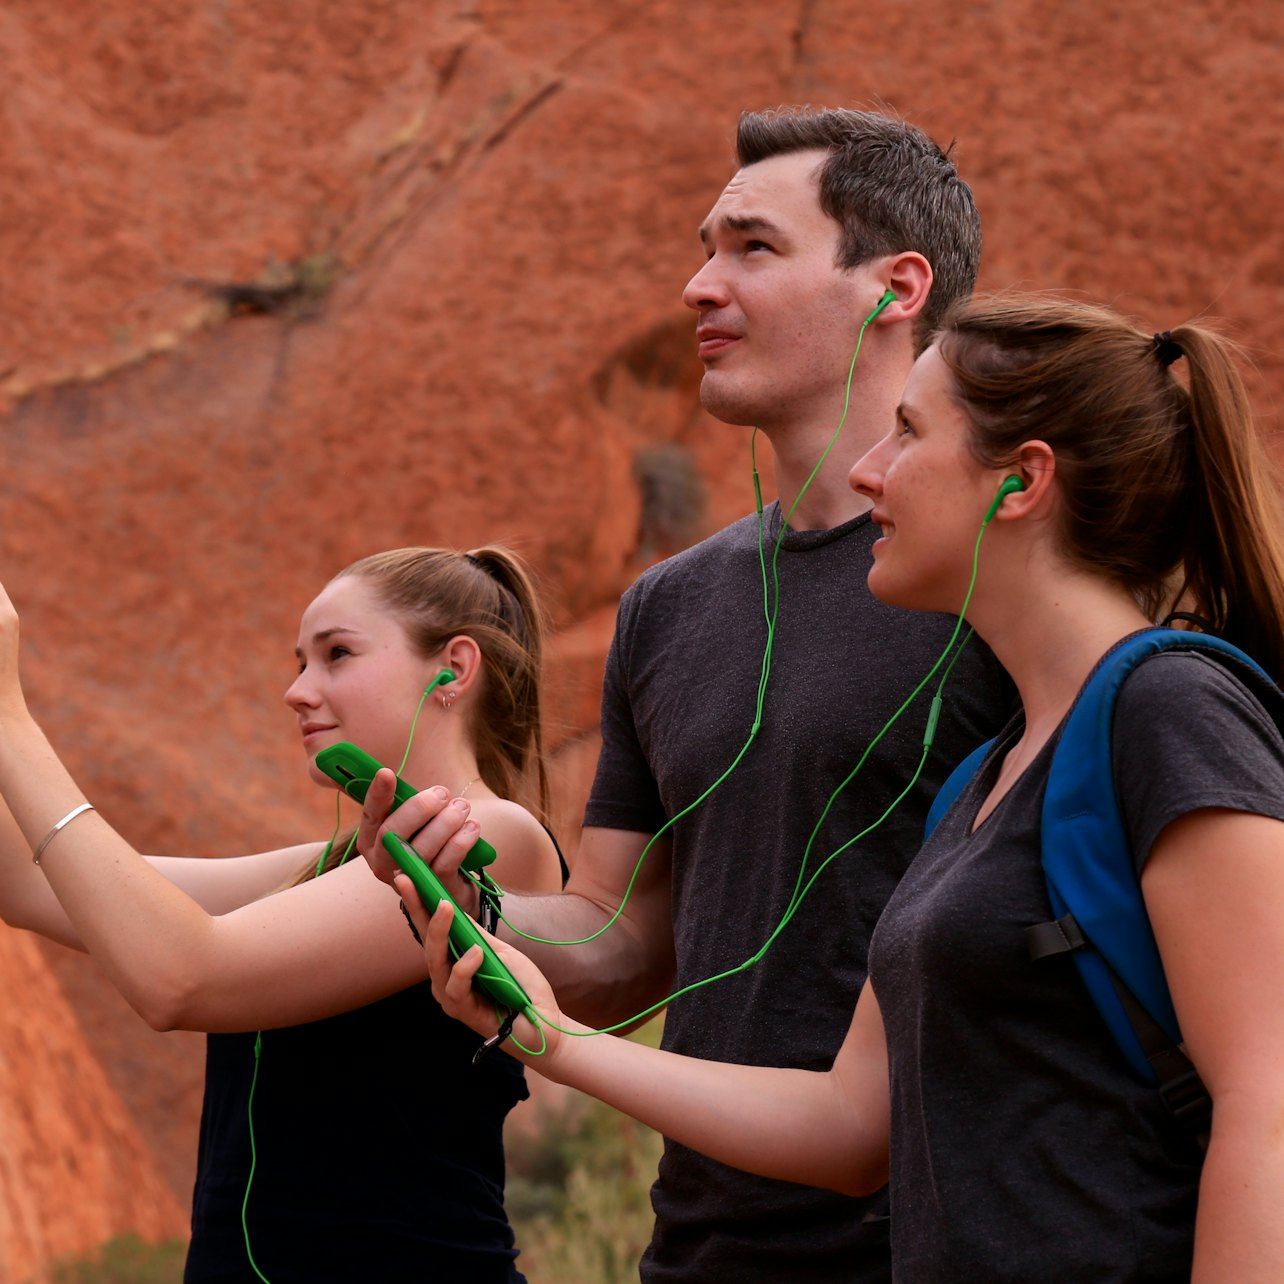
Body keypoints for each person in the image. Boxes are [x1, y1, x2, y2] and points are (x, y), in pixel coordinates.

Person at [416, 294, 1284, 1281]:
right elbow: (845, 1124)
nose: (871, 470)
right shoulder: (980, 777)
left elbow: (1271, 1116)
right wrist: (554, 1039)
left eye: (910, 433)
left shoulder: (1172, 708)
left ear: (1022, 481)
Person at [362, 107, 1014, 1282]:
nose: (696, 285)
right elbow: (621, 939)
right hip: (709, 1248)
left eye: (752, 247)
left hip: (945, 1245)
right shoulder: (672, 607)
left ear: (895, 286)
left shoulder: (997, 580)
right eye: (707, 245)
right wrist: (461, 895)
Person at [0, 546, 564, 1283]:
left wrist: (11, 716)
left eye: (336, 655)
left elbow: (182, 978)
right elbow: (26, 884)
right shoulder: (330, 867)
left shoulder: (495, 843)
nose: (298, 690)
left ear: (453, 669)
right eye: (300, 662)